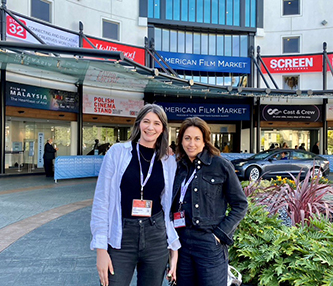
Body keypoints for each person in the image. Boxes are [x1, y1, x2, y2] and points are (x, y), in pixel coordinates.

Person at [90, 104, 180, 286]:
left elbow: (168, 205)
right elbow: (102, 200)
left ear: (163, 128)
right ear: (138, 124)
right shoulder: (117, 153)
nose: (150, 127)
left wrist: (173, 247)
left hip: (155, 234)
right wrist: (100, 248)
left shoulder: (168, 160)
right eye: (146, 121)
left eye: (156, 123)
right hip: (122, 236)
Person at [171, 117, 248, 286]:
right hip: (181, 243)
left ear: (205, 141)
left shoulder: (220, 165)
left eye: (197, 138)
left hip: (209, 242)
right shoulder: (177, 167)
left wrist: (220, 235)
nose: (192, 143)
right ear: (181, 141)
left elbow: (240, 204)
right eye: (187, 138)